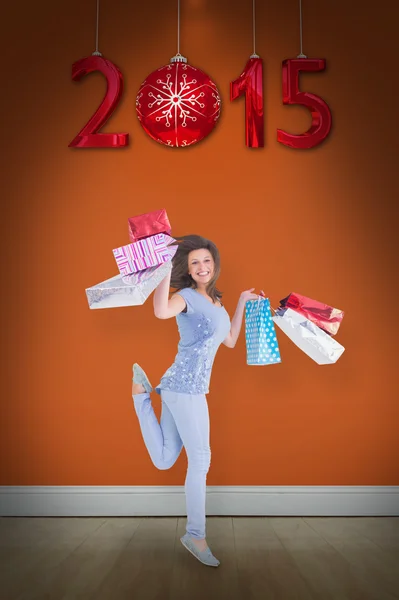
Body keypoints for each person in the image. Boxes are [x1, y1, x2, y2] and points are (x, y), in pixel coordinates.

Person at [132, 234, 262, 567]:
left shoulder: (215, 301)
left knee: (165, 459)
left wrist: (242, 302)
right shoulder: (185, 297)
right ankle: (196, 534)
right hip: (185, 388)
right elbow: (161, 311)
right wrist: (162, 272)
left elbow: (230, 341)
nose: (202, 267)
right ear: (188, 270)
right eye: (194, 263)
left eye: (206, 261)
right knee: (201, 458)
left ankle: (141, 398)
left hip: (182, 387)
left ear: (214, 265)